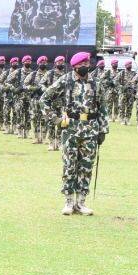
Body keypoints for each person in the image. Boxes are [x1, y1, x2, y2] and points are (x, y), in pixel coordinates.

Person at [41, 51, 108, 215]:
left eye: (87, 63)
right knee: (70, 165)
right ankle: (69, 202)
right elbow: (44, 99)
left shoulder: (96, 83)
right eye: (82, 64)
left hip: (90, 129)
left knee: (86, 166)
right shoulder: (65, 81)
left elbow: (103, 108)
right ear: (75, 66)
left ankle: (81, 202)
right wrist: (56, 120)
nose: (86, 66)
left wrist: (103, 130)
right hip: (70, 129)